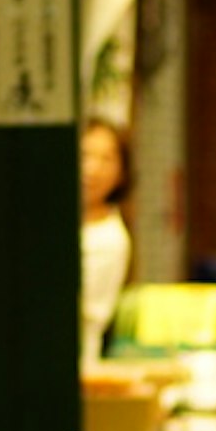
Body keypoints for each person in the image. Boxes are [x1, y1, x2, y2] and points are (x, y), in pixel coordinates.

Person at [78, 117, 134, 362]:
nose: (92, 169)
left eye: (106, 159)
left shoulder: (111, 239)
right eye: (85, 155)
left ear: (122, 173)